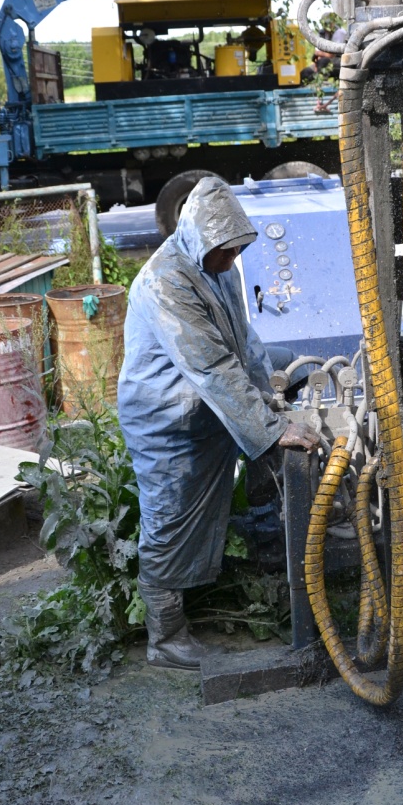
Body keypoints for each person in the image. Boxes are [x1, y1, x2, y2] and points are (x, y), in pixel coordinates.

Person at [118, 176, 317, 670]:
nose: (230, 260)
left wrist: (269, 397)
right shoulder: (166, 282)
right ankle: (166, 636)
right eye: (223, 252)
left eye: (235, 251)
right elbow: (211, 365)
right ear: (195, 237)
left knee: (289, 363)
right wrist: (271, 430)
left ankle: (261, 519)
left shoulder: (217, 263)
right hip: (166, 412)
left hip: (205, 399)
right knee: (170, 515)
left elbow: (243, 342)